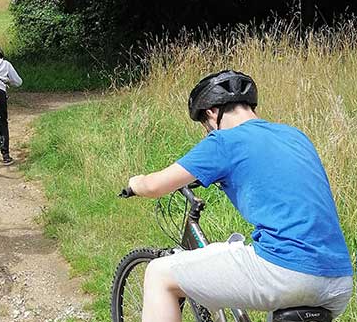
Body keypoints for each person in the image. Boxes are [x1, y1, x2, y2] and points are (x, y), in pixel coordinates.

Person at [125, 70, 353, 322]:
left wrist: (135, 183)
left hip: (285, 270)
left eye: (204, 124)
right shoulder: (295, 136)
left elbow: (155, 185)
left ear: (212, 112)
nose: (207, 131)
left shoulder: (224, 141)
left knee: (159, 274)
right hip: (339, 280)